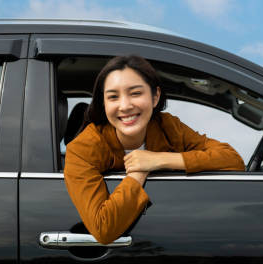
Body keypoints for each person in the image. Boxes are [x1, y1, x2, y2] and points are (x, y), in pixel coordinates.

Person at [64, 55, 245, 244]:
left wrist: (159, 159)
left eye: (135, 93)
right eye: (113, 97)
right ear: (103, 103)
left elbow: (233, 160)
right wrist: (138, 173)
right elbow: (103, 229)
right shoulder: (82, 149)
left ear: (155, 96)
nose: (125, 106)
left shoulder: (168, 126)